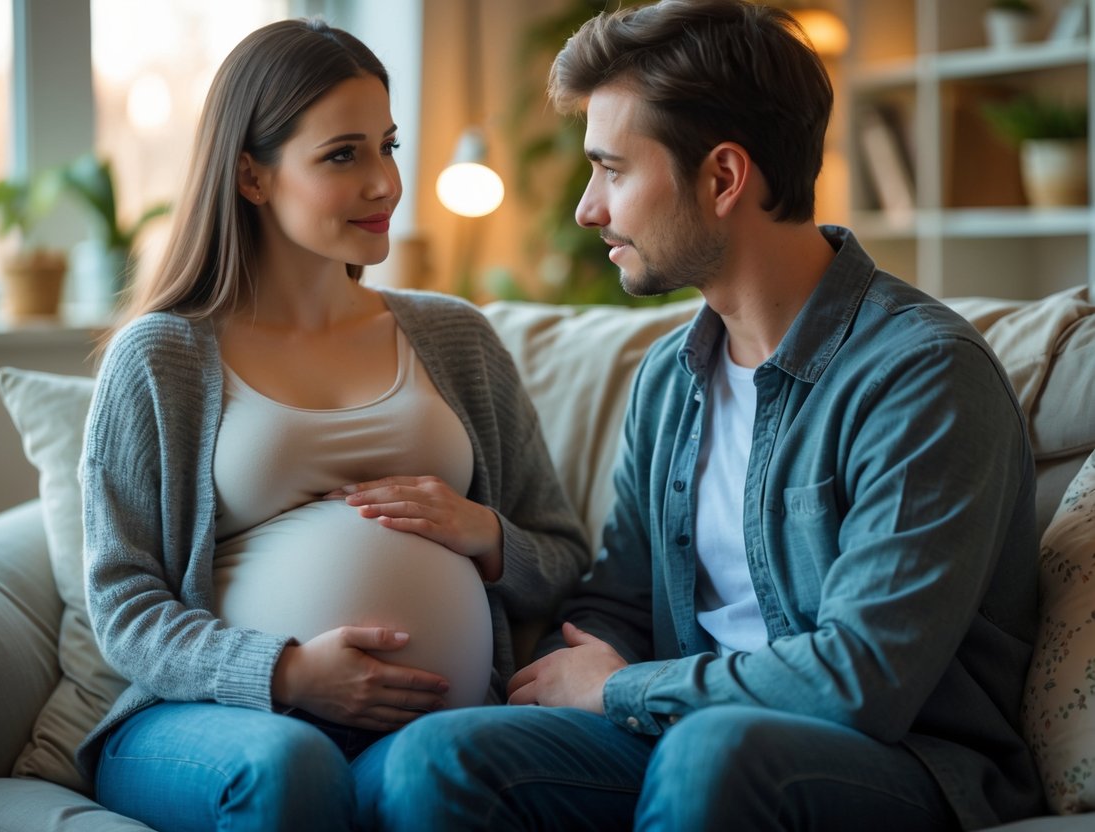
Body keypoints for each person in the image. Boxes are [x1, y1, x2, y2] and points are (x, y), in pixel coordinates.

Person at [355, 1, 1047, 829]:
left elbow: (861, 681)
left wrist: (619, 689)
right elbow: (618, 600)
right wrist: (550, 681)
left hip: (901, 765)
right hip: (684, 733)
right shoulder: (669, 376)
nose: (587, 209)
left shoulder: (921, 376)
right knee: (445, 757)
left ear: (722, 178)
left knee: (714, 751)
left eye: (612, 170)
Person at [75, 17, 590, 832]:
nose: (384, 182)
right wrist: (283, 674)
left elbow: (562, 555)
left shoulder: (454, 338)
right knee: (291, 766)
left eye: (387, 146)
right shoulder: (163, 356)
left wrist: (483, 531)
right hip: (217, 725)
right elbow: (124, 603)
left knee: (438, 777)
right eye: (342, 155)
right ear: (251, 175)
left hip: (418, 729)